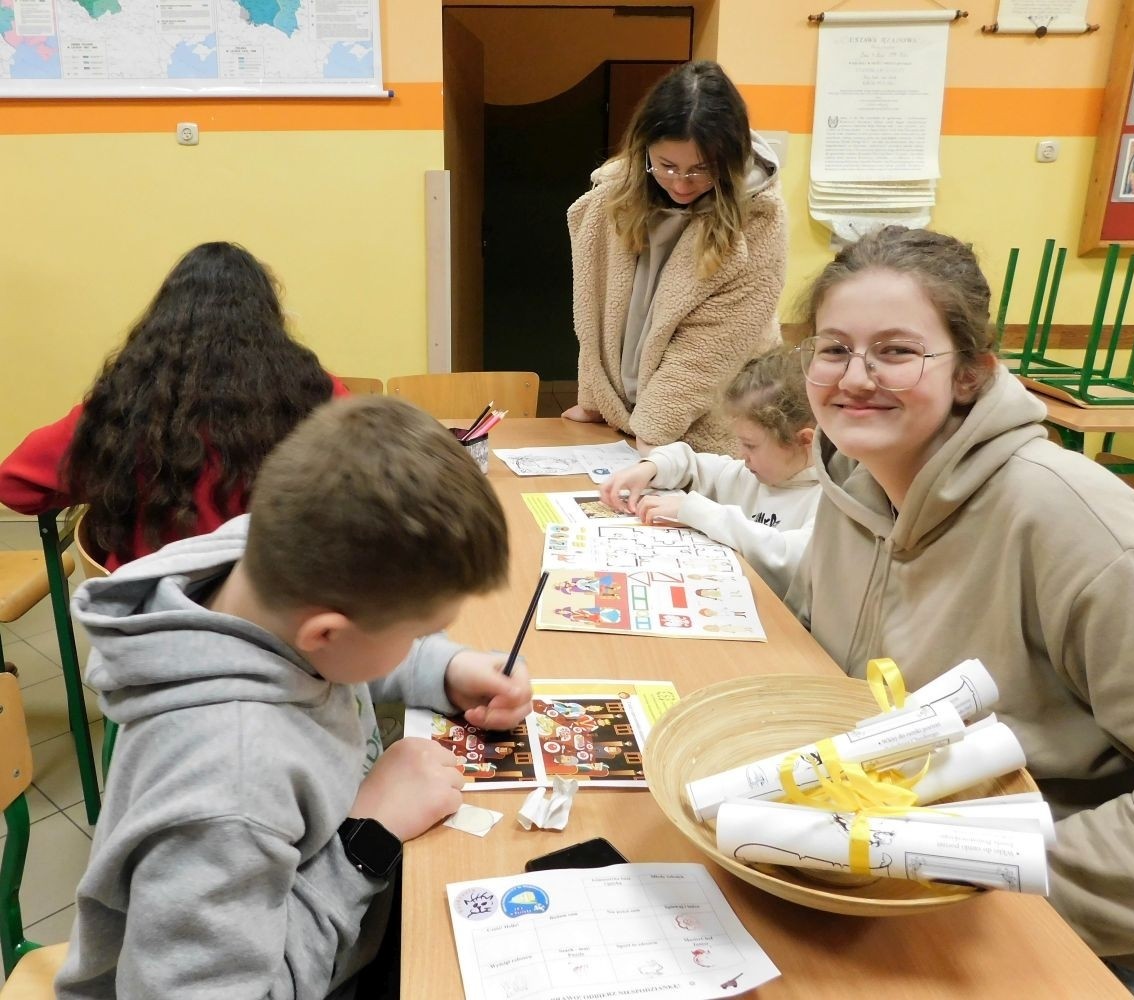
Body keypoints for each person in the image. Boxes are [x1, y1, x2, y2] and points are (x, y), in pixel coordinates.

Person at [784, 226, 1134, 994]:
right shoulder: (855, 489)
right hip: (896, 887)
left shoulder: (1072, 525)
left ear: (969, 374)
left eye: (895, 352)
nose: (853, 377)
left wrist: (958, 868)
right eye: (832, 348)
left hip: (1080, 940)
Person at [54, 396, 533, 999]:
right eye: (416, 634)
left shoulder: (262, 564)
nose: (419, 643)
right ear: (327, 632)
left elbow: (343, 652)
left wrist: (448, 668)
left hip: (334, 926)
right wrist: (369, 836)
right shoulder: (229, 787)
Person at [0, 241, 348, 570]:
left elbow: (13, 486)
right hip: (275, 612)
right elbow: (365, 488)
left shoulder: (123, 401)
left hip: (150, 615)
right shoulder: (315, 391)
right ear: (269, 318)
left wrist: (110, 479)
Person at [564, 59, 788, 455]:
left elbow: (711, 348)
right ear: (643, 148)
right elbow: (596, 310)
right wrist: (595, 399)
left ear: (730, 159)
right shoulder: (611, 198)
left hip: (716, 421)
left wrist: (653, 434)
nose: (682, 183)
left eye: (702, 169)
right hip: (632, 422)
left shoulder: (759, 218)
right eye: (667, 166)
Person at [600, 345, 818, 596]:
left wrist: (693, 510)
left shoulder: (827, 502)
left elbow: (788, 556)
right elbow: (698, 465)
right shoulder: (753, 474)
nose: (740, 454)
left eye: (750, 445)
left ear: (803, 441)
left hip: (778, 623)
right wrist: (651, 467)